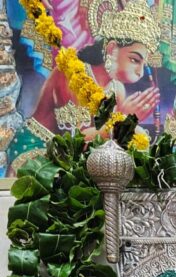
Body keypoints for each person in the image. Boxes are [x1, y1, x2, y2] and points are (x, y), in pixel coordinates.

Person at [7, 0, 160, 173]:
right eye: (134, 60)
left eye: (144, 64)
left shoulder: (117, 89)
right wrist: (123, 122)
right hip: (39, 150)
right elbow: (75, 142)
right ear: (111, 49)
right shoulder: (72, 74)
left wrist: (126, 126)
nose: (140, 72)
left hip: (72, 161)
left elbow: (108, 145)